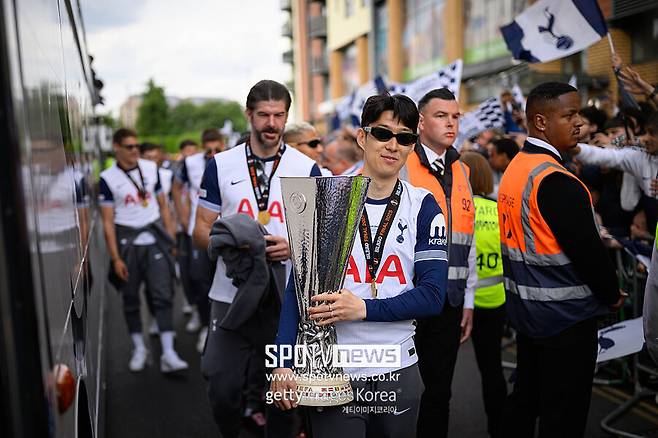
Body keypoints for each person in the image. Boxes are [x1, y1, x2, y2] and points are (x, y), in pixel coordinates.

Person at [270, 92, 448, 438]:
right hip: (331, 369)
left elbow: (432, 296)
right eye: (382, 133)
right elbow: (297, 291)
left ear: (412, 146)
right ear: (362, 137)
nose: (393, 145)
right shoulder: (325, 199)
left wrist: (363, 309)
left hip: (397, 366)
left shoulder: (424, 205)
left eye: (404, 138)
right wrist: (282, 362)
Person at [193, 80, 321, 438]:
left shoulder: (306, 167)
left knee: (281, 394)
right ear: (249, 114)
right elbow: (201, 229)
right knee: (221, 386)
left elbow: (319, 237)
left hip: (283, 296)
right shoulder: (221, 165)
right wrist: (236, 245)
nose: (272, 123)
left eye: (279, 115)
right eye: (264, 115)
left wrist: (293, 247)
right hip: (230, 292)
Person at [498, 82, 625, 437]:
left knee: (525, 403)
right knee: (563, 420)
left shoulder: (517, 167)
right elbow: (589, 254)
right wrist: (612, 295)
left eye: (579, 114)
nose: (579, 122)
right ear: (540, 122)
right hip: (566, 321)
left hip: (528, 315)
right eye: (569, 115)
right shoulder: (555, 180)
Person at [401, 87, 476, 438]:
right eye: (441, 116)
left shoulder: (462, 170)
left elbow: (468, 240)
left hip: (449, 302)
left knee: (439, 393)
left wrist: (468, 300)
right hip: (407, 300)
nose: (451, 123)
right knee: (402, 393)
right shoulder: (402, 164)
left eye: (455, 116)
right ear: (420, 122)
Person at [99, 128, 188, 373]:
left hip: (155, 240)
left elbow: (163, 206)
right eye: (129, 147)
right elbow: (107, 222)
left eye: (137, 146)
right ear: (116, 147)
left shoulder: (150, 169)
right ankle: (139, 348)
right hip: (127, 244)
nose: (135, 151)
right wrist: (115, 258)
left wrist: (170, 240)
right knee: (130, 298)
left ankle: (169, 352)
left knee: (163, 294)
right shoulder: (107, 178)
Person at [459, 152, 507, 438]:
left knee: (439, 375)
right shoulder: (498, 210)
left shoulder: (460, 210)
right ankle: (498, 428)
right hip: (494, 300)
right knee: (492, 370)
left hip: (460, 301)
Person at [172, 129, 225, 352]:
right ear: (203, 146)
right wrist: (184, 218)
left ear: (223, 144)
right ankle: (205, 325)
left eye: (217, 148)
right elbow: (176, 188)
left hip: (228, 232)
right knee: (200, 279)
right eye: (208, 149)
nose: (212, 153)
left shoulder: (232, 160)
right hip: (201, 231)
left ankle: (224, 328)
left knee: (229, 281)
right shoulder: (190, 163)